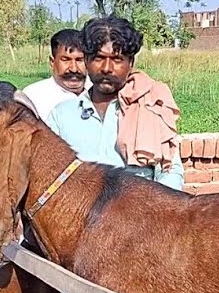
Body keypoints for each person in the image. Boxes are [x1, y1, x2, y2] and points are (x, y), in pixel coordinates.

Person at [45, 15, 185, 191]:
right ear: (86, 61)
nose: (106, 68)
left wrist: (154, 211)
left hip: (139, 213)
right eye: (98, 58)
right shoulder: (61, 116)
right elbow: (47, 177)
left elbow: (170, 172)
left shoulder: (151, 108)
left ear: (130, 63)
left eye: (117, 60)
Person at [22, 29, 89, 119]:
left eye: (79, 60)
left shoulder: (100, 94)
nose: (74, 69)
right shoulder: (32, 97)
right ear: (52, 62)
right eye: (65, 60)